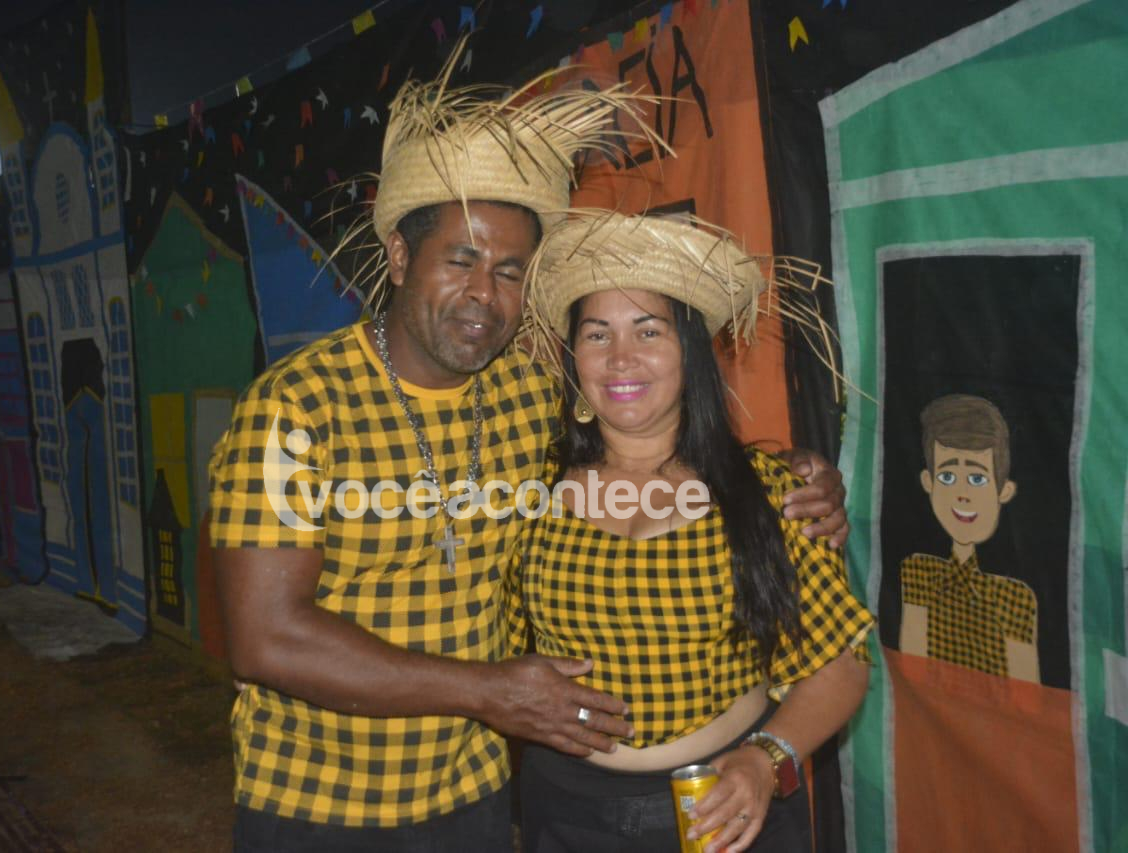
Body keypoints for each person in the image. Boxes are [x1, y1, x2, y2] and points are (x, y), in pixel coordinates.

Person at [209, 48, 851, 852]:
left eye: (511, 271)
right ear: (401, 257)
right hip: (321, 804)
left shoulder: (527, 398)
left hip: (478, 796)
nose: (485, 293)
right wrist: (489, 692)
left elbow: (646, 423)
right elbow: (265, 636)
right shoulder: (294, 409)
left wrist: (798, 476)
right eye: (462, 260)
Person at [514, 210, 874, 853]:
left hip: (726, 807)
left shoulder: (770, 494)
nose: (620, 358)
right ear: (574, 358)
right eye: (597, 334)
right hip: (563, 812)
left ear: (690, 352)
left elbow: (840, 663)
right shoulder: (528, 493)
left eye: (648, 330)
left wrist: (766, 758)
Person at [898, 393, 1038, 682]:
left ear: (1004, 490)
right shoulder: (918, 571)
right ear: (928, 482)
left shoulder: (1014, 597)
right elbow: (912, 671)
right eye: (947, 477)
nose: (962, 494)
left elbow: (1026, 692)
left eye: (977, 479)